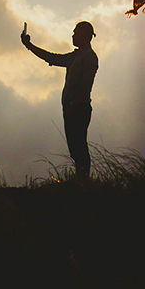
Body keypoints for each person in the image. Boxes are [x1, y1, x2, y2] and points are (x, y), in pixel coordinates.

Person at [21, 21, 98, 178]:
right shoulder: (76, 56)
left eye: (76, 32)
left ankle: (83, 182)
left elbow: (86, 84)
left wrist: (73, 103)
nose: (73, 35)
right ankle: (81, 181)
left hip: (79, 108)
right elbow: (52, 58)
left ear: (84, 35)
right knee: (75, 149)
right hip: (72, 108)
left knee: (79, 147)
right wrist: (29, 46)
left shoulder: (89, 56)